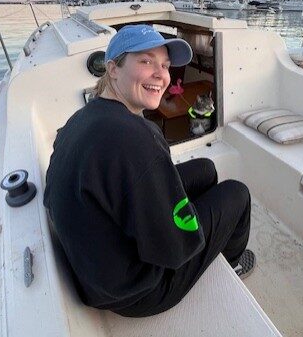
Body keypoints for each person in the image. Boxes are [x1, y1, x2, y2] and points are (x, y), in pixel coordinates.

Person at [43, 24, 254, 318]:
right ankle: (232, 262)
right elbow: (175, 250)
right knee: (237, 194)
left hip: (98, 265)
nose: (161, 75)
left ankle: (187, 219)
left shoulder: (82, 117)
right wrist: (180, 225)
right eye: (146, 61)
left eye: (165, 65)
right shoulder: (140, 138)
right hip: (137, 290)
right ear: (113, 68)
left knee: (206, 169)